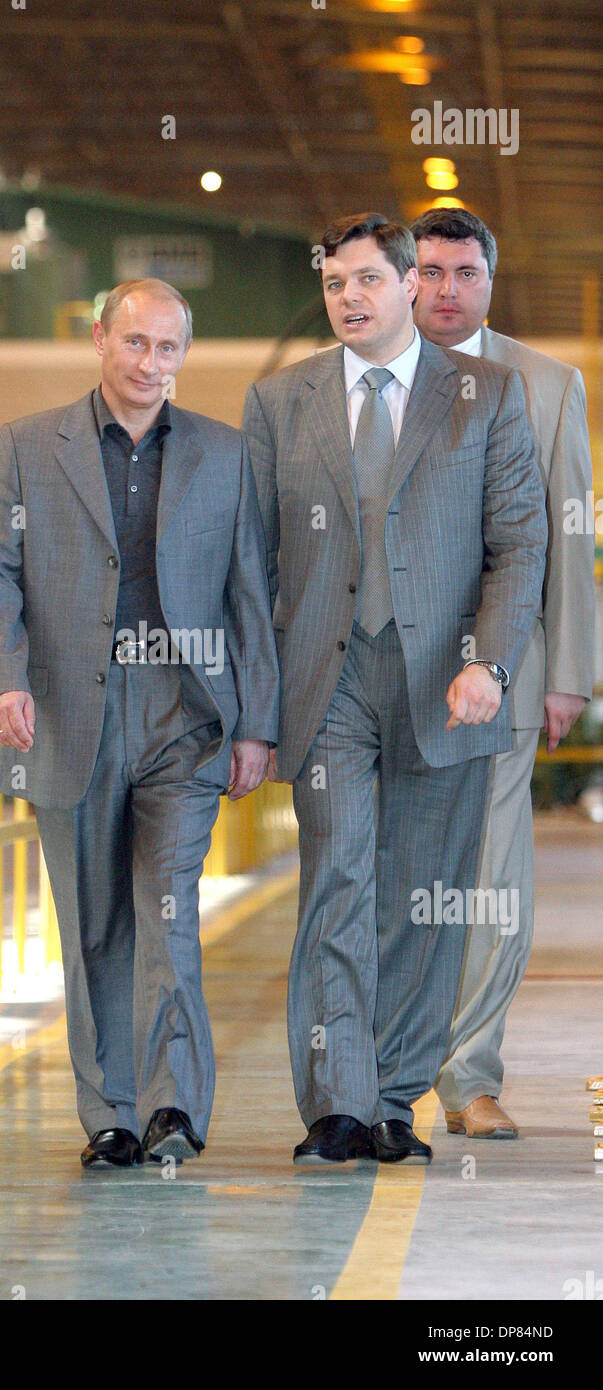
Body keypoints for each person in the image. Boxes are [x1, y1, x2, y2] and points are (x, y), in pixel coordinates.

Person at [243, 212, 547, 1166]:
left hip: (443, 683)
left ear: (410, 283)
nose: (349, 299)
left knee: (422, 896)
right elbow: (252, 563)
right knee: (335, 879)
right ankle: (335, 1101)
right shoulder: (278, 401)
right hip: (325, 677)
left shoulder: (485, 395)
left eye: (367, 280)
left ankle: (393, 1098)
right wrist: (253, 701)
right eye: (334, 284)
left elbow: (519, 544)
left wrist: (488, 664)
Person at [0, 278, 279, 1169]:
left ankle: (171, 1103)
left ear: (184, 354)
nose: (151, 364)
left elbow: (251, 591)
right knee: (94, 922)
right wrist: (0, 684)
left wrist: (255, 723)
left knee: (169, 910)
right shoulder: (27, 448)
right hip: (69, 714)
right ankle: (107, 1112)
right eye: (135, 343)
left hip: (184, 715)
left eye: (169, 348)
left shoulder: (226, 454)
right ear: (99, 339)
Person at [411, 208, 596, 1139]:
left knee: (492, 885)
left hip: (507, 675)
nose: (446, 291)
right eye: (429, 272)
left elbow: (570, 535)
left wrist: (565, 670)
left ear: (490, 279)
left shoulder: (548, 385)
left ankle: (468, 1078)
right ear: (405, 279)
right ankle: (379, 1070)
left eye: (464, 274)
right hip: (387, 680)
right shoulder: (373, 378)